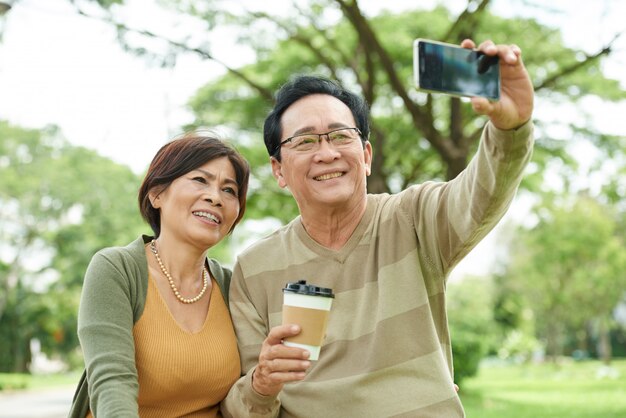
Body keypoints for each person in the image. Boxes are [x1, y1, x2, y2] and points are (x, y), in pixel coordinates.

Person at [221, 39, 534, 417]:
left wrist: (509, 128)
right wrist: (263, 383)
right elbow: (244, 409)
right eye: (304, 141)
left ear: (366, 156)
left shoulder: (414, 217)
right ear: (278, 170)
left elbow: (480, 197)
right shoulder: (255, 268)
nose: (327, 153)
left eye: (340, 136)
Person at [68, 132, 250, 417]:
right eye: (200, 180)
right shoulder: (117, 269)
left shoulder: (232, 285)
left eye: (229, 190)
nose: (215, 197)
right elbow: (112, 383)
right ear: (157, 194)